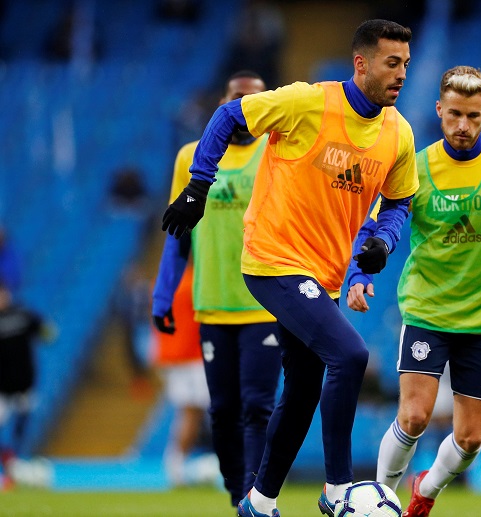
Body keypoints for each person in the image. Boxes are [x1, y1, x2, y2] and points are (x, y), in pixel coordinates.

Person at [159, 19, 418, 517]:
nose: (402, 73)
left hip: (323, 275)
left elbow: (399, 201)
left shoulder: (398, 133)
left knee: (302, 388)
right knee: (351, 354)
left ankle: (259, 500)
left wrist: (382, 243)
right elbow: (230, 116)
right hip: (272, 260)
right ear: (361, 64)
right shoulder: (306, 102)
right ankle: (339, 490)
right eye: (392, 62)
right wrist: (197, 187)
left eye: (406, 63)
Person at [347, 65, 481, 517]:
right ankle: (380, 502)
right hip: (428, 312)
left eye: (473, 116)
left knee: (469, 441)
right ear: (439, 111)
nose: (462, 126)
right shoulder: (417, 167)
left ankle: (426, 488)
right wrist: (361, 275)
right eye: (454, 115)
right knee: (414, 416)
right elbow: (378, 225)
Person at [152, 70, 282, 508]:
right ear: (223, 104)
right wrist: (162, 295)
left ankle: (256, 497)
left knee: (258, 408)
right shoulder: (191, 156)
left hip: (264, 304)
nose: (245, 110)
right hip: (211, 306)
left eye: (254, 101)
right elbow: (177, 234)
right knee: (222, 412)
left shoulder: (277, 153)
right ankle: (235, 494)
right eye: (236, 100)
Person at [151, 263, 215, 487]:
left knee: (190, 412)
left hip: (172, 356)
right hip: (193, 355)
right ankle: (177, 466)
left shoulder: (166, 281)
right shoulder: (196, 281)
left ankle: (175, 464)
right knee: (203, 410)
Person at [0, 282, 54, 482]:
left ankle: (14, 460)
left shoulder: (23, 314)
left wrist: (47, 331)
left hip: (24, 382)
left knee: (21, 426)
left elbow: (47, 332)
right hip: (3, 387)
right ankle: (8, 460)